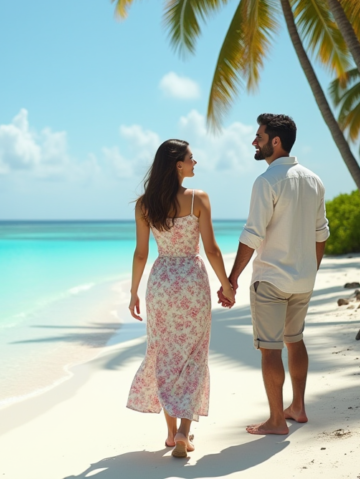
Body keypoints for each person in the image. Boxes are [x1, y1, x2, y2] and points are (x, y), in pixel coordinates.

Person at [218, 113, 329, 435]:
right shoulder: (314, 180)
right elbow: (321, 234)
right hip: (303, 280)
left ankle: (277, 420)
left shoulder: (266, 181)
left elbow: (252, 234)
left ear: (275, 141)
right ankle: (298, 408)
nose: (255, 141)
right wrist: (311, 269)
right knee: (295, 341)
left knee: (271, 349)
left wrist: (232, 278)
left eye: (259, 136)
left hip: (271, 279)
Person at [126, 139, 234, 458]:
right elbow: (212, 249)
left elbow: (141, 254)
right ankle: (187, 431)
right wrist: (226, 284)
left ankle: (172, 433)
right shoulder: (197, 199)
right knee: (193, 355)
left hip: (161, 283)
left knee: (163, 354)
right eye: (191, 158)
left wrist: (133, 291)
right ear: (178, 165)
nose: (195, 162)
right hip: (192, 282)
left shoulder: (144, 204)